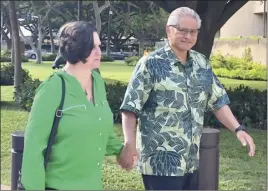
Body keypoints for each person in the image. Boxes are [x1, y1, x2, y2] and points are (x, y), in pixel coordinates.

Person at [117, 7, 256, 190]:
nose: (188, 36)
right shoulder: (150, 63)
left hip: (191, 161)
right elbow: (130, 108)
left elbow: (218, 101)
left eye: (193, 31)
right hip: (160, 162)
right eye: (182, 30)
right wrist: (129, 145)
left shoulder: (201, 63)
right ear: (169, 30)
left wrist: (238, 129)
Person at [21, 21, 126, 190]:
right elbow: (33, 148)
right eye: (93, 47)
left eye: (99, 46)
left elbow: (99, 129)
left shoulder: (97, 81)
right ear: (78, 48)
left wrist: (122, 151)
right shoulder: (53, 87)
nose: (99, 52)